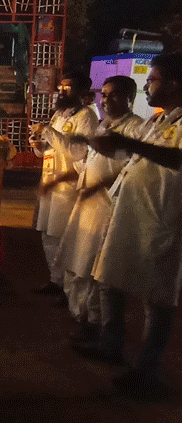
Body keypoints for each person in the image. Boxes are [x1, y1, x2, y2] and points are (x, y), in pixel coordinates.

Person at [87, 53, 182, 397]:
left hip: (162, 219)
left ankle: (148, 371)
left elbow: (176, 158)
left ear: (173, 83)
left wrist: (126, 142)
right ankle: (110, 345)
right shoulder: (159, 121)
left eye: (153, 79)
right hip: (132, 214)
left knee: (157, 296)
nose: (147, 86)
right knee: (110, 276)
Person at [53, 76, 142, 347]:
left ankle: (98, 330)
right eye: (104, 95)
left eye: (114, 95)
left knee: (98, 273)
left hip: (110, 209)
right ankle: (87, 321)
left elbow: (129, 169)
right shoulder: (105, 125)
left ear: (130, 98)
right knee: (81, 266)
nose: (106, 100)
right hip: (88, 206)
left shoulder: (135, 127)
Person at [29, 72, 98, 305]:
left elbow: (78, 152)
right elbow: (52, 148)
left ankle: (69, 288)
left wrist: (49, 132)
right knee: (48, 234)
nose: (61, 90)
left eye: (67, 87)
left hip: (68, 186)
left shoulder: (86, 116)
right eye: (60, 86)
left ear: (81, 92)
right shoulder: (59, 114)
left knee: (64, 235)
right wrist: (39, 145)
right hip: (50, 182)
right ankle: (55, 280)